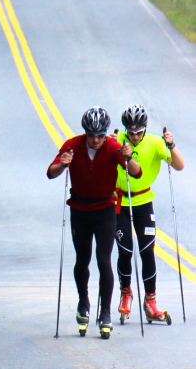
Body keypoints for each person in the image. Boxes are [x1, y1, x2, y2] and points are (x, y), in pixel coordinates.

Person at [47, 107, 140, 339]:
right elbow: (51, 172)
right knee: (82, 259)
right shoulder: (72, 145)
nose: (96, 140)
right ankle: (83, 302)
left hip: (105, 210)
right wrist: (63, 164)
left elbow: (136, 173)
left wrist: (128, 157)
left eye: (100, 135)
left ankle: (105, 312)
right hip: (80, 210)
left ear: (105, 133)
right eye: (91, 135)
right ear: (85, 133)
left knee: (103, 260)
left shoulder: (112, 146)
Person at [114, 105, 185, 324]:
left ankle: (150, 302)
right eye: (131, 132)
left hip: (144, 202)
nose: (134, 136)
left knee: (147, 250)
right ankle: (126, 294)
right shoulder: (116, 140)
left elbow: (179, 165)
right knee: (125, 250)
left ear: (145, 128)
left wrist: (171, 145)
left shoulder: (155, 142)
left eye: (138, 132)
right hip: (120, 203)